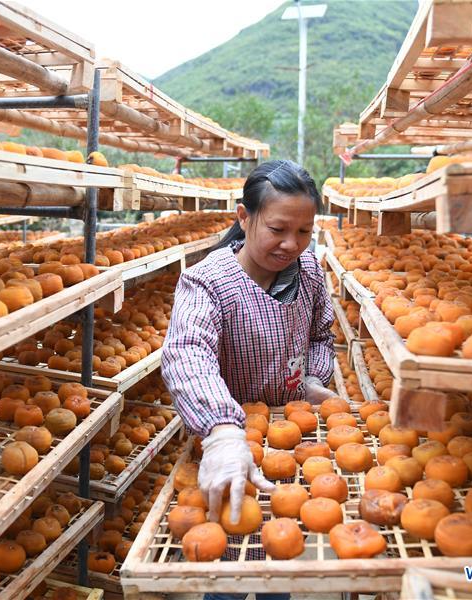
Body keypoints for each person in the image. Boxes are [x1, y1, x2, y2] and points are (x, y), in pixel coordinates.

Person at [162, 160, 337, 598]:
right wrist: (223, 432)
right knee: (231, 560)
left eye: (303, 232)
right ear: (244, 217)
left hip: (290, 441)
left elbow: (321, 334)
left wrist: (314, 377)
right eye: (278, 229)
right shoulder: (208, 282)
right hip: (229, 440)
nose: (291, 244)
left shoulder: (310, 272)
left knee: (277, 546)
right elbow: (187, 353)